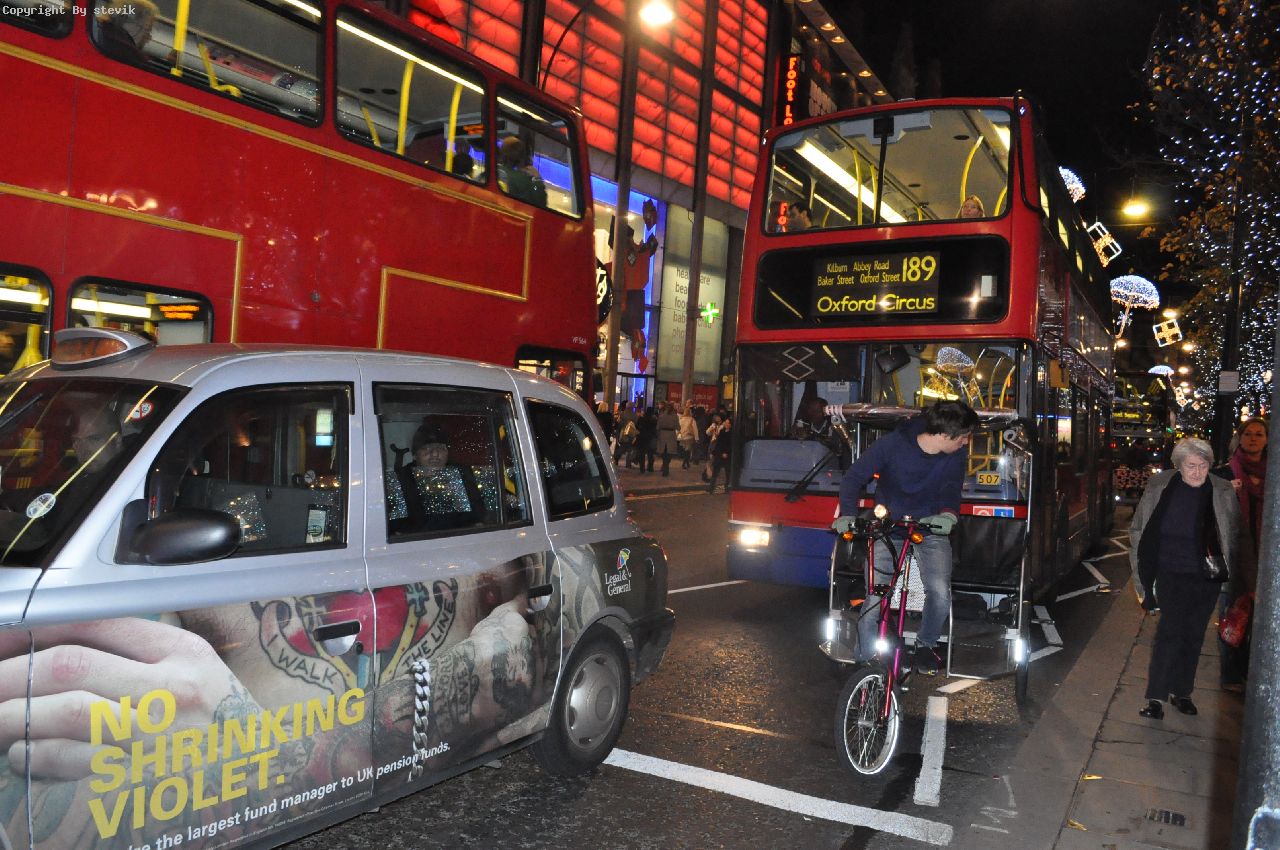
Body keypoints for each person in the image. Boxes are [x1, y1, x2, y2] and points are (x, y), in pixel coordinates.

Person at [832, 400, 979, 675]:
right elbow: (854, 477)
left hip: (930, 526)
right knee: (875, 595)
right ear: (944, 434)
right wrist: (847, 514)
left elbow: (951, 487)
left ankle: (925, 644)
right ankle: (864, 661)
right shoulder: (893, 444)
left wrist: (948, 515)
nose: (966, 442)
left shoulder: (955, 454)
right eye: (963, 437)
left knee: (939, 591)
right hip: (889, 525)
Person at [1129, 437, 1240, 719]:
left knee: (1194, 634)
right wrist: (1143, 576)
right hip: (1170, 572)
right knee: (1170, 632)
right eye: (1191, 466)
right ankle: (1156, 698)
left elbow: (1234, 535)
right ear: (1178, 466)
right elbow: (1140, 528)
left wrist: (1236, 578)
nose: (1198, 471)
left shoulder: (1222, 490)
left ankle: (1182, 692)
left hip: (1206, 576)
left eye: (1203, 465)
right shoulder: (1160, 486)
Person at [1216, 417, 1267, 691]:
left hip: (1264, 559)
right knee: (1233, 616)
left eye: (1259, 434)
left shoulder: (1273, 474)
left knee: (1258, 620)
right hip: (1233, 558)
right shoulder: (1226, 473)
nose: (1253, 439)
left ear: (1267, 440)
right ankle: (1231, 674)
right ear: (1240, 438)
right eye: (1248, 434)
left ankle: (1250, 669)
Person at [386, 421, 477, 533]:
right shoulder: (401, 480)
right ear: (415, 455)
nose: (435, 454)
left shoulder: (460, 475)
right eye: (427, 448)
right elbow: (396, 527)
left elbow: (476, 517)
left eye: (441, 448)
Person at [498, 136, 548, 207]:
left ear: (502, 152)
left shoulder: (492, 170)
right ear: (521, 157)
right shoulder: (522, 180)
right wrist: (537, 179)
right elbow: (541, 202)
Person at [705, 412, 732, 494]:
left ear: (730, 425)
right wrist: (714, 452)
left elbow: (731, 444)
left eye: (728, 423)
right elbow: (718, 443)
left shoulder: (732, 433)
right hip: (719, 454)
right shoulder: (722, 431)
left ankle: (727, 488)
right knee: (715, 472)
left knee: (728, 473)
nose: (726, 424)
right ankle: (711, 488)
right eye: (726, 423)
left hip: (727, 455)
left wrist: (726, 453)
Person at [614, 401, 638, 466]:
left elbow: (619, 423)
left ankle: (616, 458)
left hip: (623, 432)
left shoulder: (622, 414)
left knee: (622, 446)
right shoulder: (634, 415)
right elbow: (636, 423)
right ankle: (628, 463)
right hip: (631, 432)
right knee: (629, 447)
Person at [636, 406, 658, 473]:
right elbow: (655, 429)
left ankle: (642, 468)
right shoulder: (654, 420)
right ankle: (650, 467)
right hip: (650, 438)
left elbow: (637, 427)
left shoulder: (641, 419)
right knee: (650, 453)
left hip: (642, 437)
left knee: (642, 453)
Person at [677, 402, 698, 469]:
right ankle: (684, 463)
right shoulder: (692, 420)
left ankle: (687, 463)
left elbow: (678, 428)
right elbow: (695, 429)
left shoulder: (681, 419)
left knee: (685, 449)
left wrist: (677, 435)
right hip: (689, 436)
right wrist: (697, 438)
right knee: (688, 450)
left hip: (682, 436)